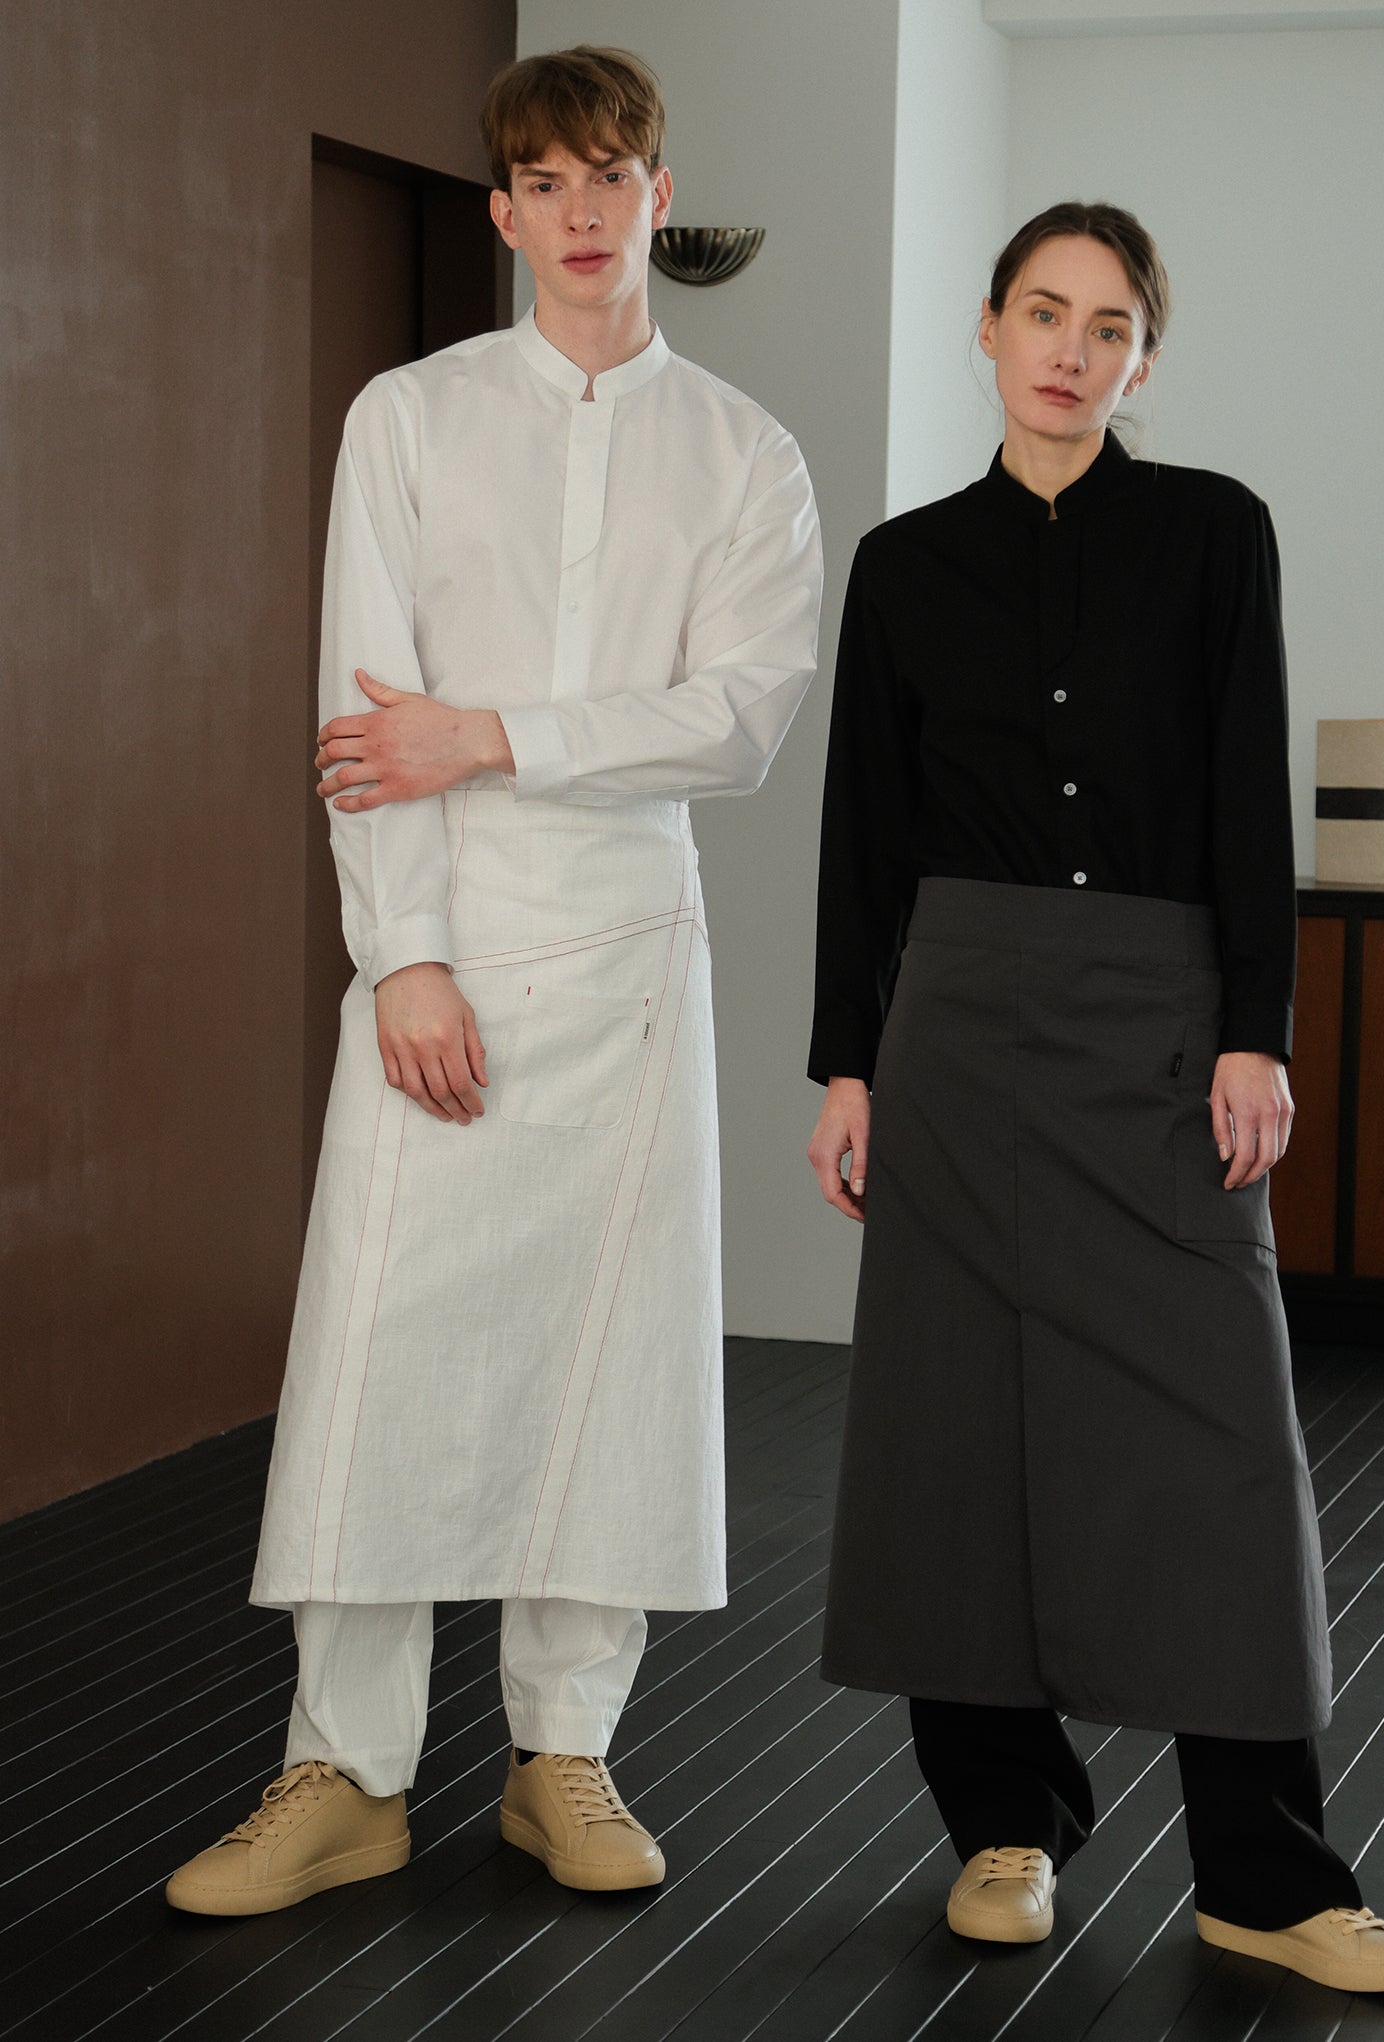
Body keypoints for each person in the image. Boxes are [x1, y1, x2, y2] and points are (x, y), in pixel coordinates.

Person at [166, 45, 821, 1916]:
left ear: (659, 198)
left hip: (628, 964)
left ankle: (566, 1756)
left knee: (605, 1368)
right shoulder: (411, 417)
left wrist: (496, 734)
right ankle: (343, 1770)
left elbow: (738, 720)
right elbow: (361, 722)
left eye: (615, 177)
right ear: (505, 212)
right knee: (376, 1362)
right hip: (443, 950)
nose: (584, 211)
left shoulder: (746, 454)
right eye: (548, 181)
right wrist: (406, 959)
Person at [804, 202, 1384, 1994]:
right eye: (1043, 312)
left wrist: (1258, 1027)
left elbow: (1249, 788)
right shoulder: (905, 563)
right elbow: (866, 829)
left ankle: (1266, 1872)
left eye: (1108, 325)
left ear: (1146, 354)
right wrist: (847, 1058)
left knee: (1222, 1451)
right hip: (958, 1029)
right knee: (960, 1435)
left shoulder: (1217, 533)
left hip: (1162, 1026)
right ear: (988, 329)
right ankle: (1004, 1826)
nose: (1071, 351)